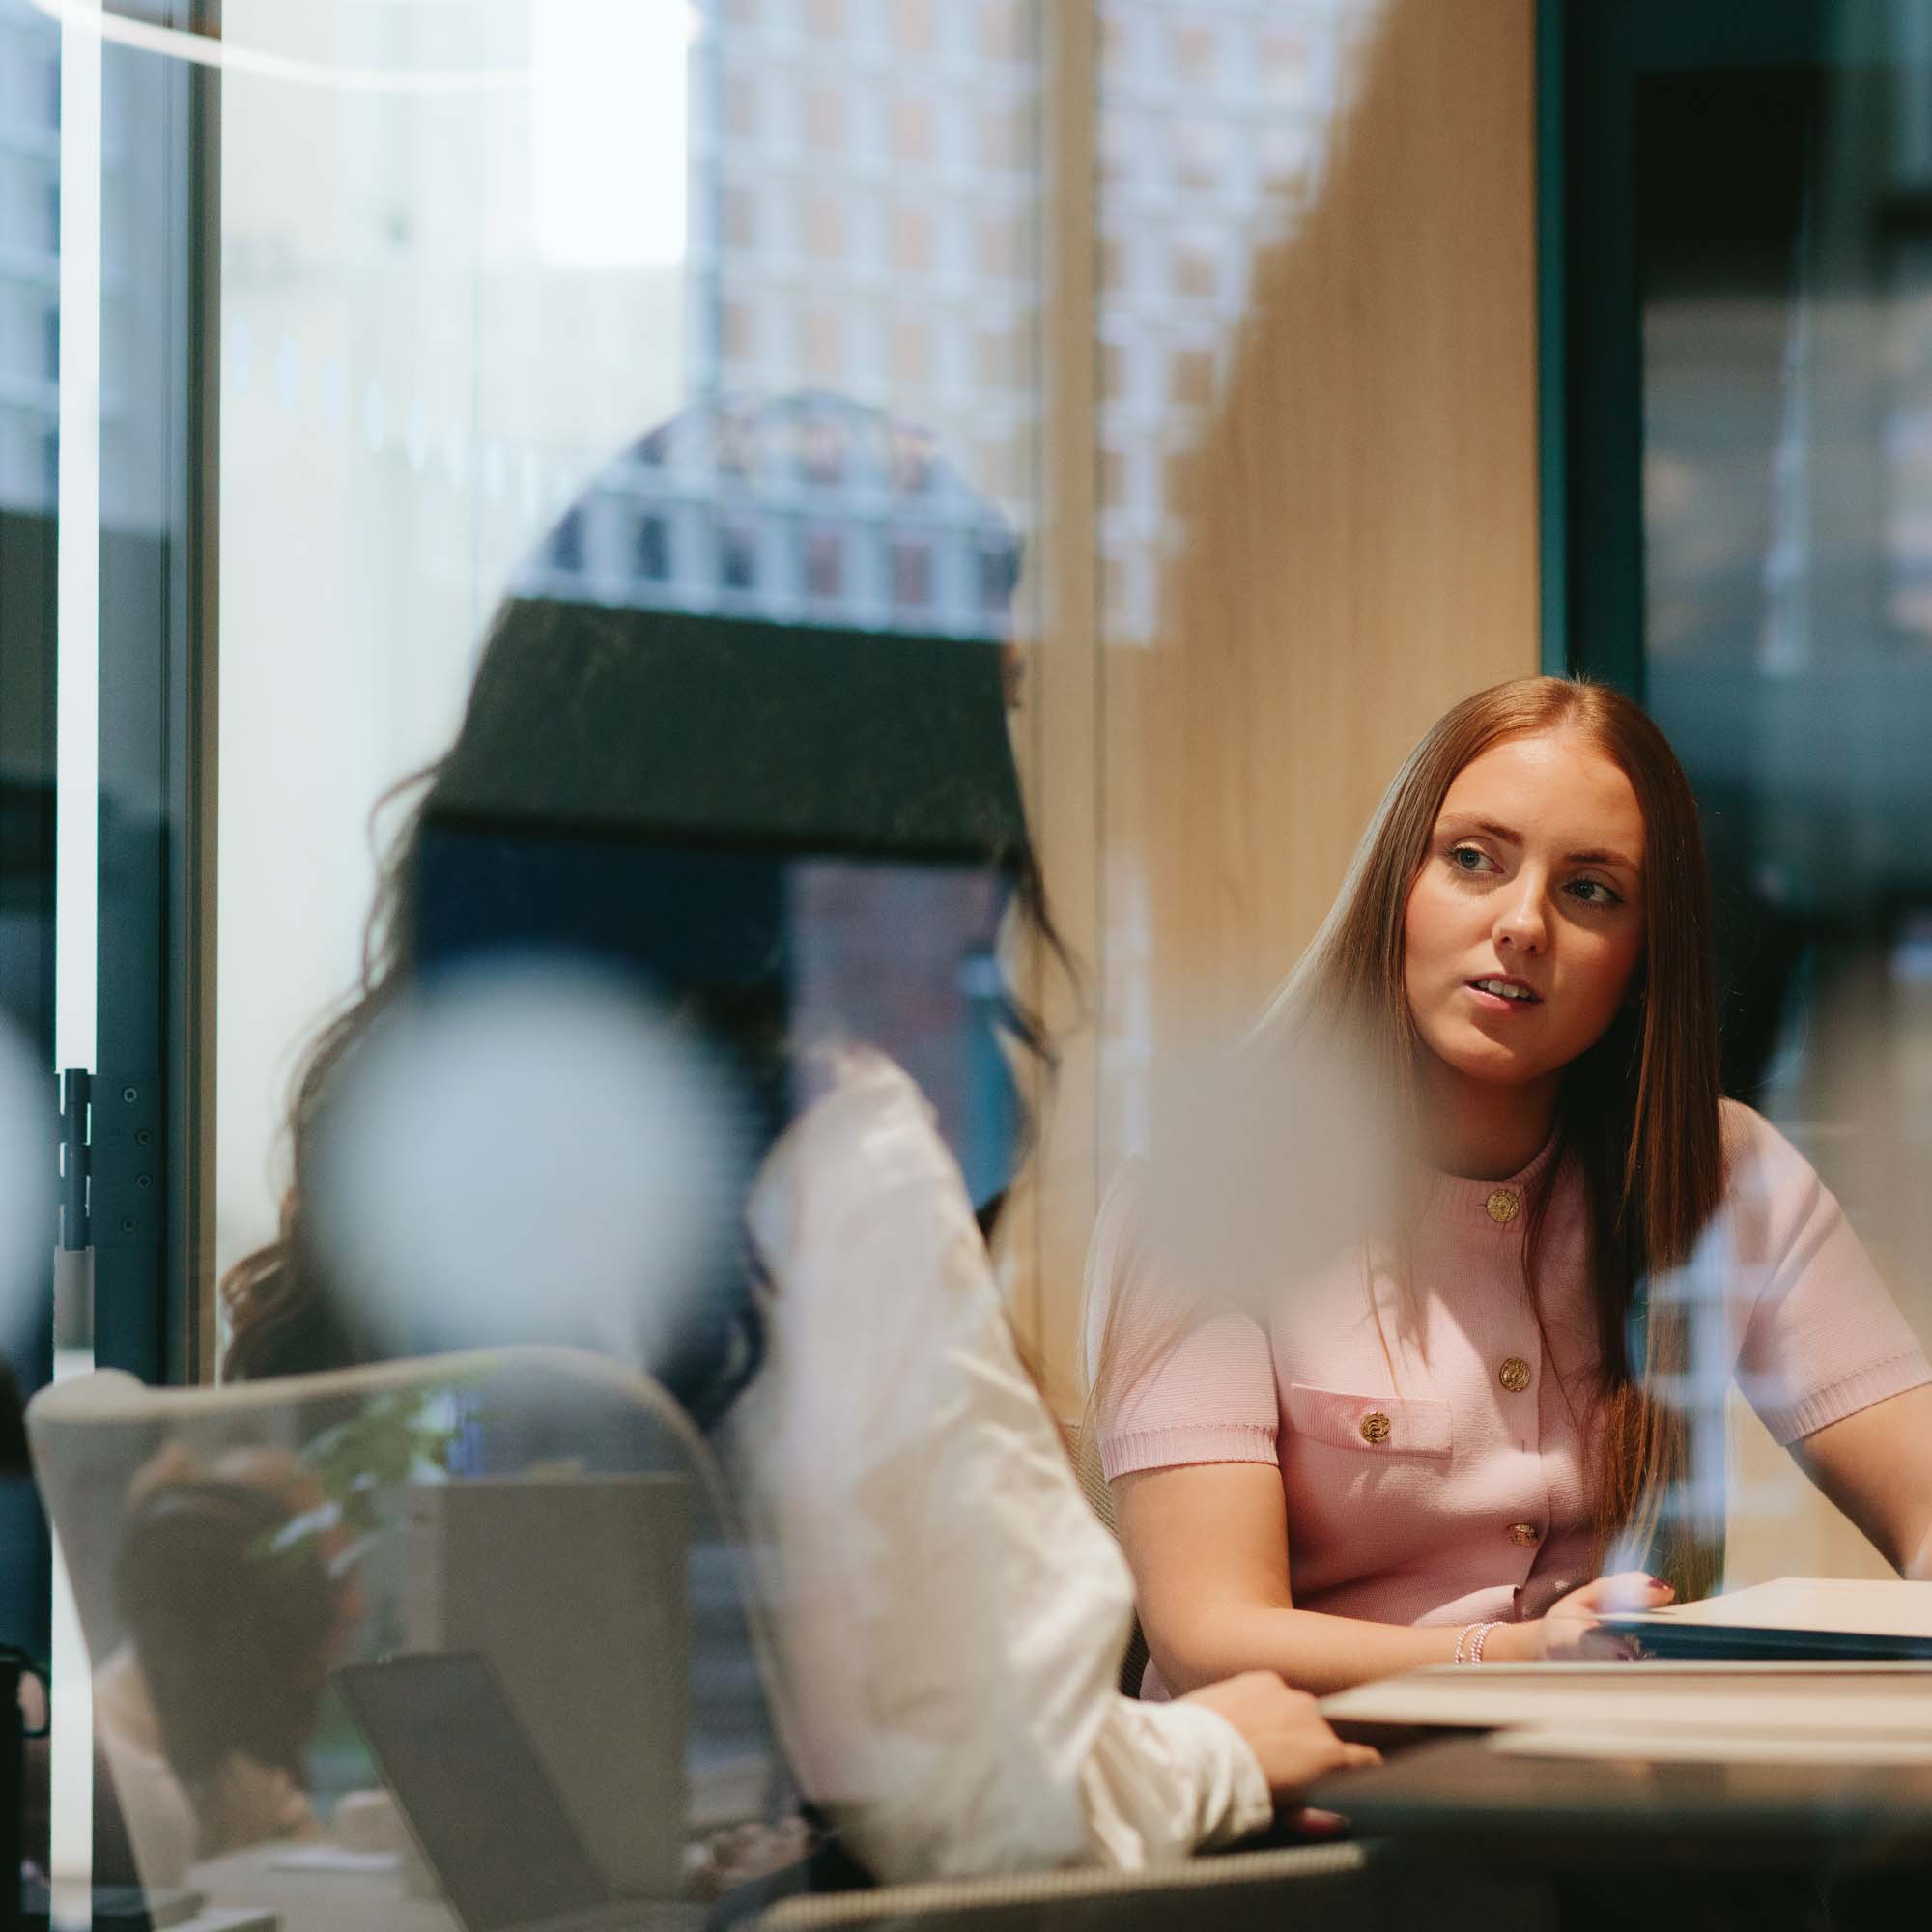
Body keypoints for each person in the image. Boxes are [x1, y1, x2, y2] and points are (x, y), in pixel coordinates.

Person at [219, 396, 1378, 1882]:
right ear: (875, 756)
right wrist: (1224, 1749)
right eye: (992, 702)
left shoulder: (431, 1111)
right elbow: (982, 1795)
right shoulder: (822, 1146)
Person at [1086, 675, 1932, 1700]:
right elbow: (1209, 1633)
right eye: (1472, 860)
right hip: (1306, 1807)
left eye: (1590, 889)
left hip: (1585, 1801)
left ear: (1642, 955)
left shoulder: (1718, 1171)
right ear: (1398, 880)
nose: (1521, 922)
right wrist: (1516, 1657)